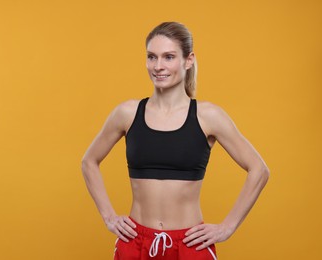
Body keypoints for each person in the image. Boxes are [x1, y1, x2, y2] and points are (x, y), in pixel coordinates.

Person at [81, 21, 270, 260]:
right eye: (152, 57)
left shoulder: (207, 116)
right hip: (136, 243)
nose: (158, 66)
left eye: (168, 57)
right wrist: (108, 216)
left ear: (188, 60)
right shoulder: (127, 113)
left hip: (190, 246)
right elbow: (89, 161)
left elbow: (259, 170)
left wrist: (227, 227)